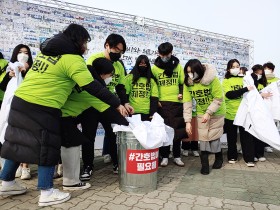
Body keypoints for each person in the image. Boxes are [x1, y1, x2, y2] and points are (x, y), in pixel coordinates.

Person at [0, 23, 126, 207]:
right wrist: (117, 103)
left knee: (18, 141)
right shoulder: (73, 60)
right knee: (48, 146)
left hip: (21, 101)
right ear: (78, 41)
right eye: (85, 42)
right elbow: (92, 87)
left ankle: (7, 182)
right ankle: (46, 192)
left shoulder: (46, 54)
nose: (86, 48)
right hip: (43, 105)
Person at [60, 57, 128, 190]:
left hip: (63, 116)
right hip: (68, 116)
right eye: (109, 74)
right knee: (84, 139)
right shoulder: (90, 89)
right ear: (102, 74)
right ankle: (81, 171)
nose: (110, 78)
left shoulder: (89, 81)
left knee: (108, 135)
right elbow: (108, 108)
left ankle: (115, 163)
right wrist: (128, 123)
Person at [79, 34, 133, 180]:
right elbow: (94, 85)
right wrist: (116, 103)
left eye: (121, 51)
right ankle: (88, 166)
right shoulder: (93, 60)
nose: (118, 53)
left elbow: (121, 86)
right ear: (107, 45)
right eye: (116, 49)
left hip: (110, 105)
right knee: (88, 136)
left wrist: (125, 102)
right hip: (92, 104)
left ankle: (117, 163)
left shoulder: (119, 65)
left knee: (114, 133)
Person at [183, 59, 225, 175]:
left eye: (192, 72)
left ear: (199, 70)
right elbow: (187, 103)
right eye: (188, 72)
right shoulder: (188, 82)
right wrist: (187, 122)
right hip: (201, 112)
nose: (190, 74)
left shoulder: (212, 79)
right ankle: (205, 164)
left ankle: (219, 158)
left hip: (217, 111)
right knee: (203, 137)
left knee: (214, 137)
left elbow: (218, 98)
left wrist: (209, 112)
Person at [0, 45, 33, 180]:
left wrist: (25, 71)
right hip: (11, 106)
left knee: (26, 135)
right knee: (14, 137)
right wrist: (10, 75)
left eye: (26, 53)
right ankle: (15, 167)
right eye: (20, 52)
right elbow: (2, 85)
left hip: (26, 106)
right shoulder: (10, 67)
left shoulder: (33, 69)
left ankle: (26, 167)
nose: (23, 55)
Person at [151, 42, 187, 167]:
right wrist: (156, 101)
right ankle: (165, 156)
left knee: (177, 131)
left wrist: (182, 93)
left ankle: (177, 156)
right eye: (162, 54)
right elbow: (153, 85)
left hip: (177, 103)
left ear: (171, 53)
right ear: (158, 54)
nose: (164, 56)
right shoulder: (154, 68)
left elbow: (183, 82)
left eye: (167, 54)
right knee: (164, 131)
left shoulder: (178, 66)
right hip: (162, 104)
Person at [222, 59, 255, 167]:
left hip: (244, 113)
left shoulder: (244, 79)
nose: (236, 68)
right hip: (230, 113)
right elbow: (229, 95)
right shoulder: (226, 81)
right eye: (233, 67)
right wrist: (244, 89)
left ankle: (249, 158)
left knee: (246, 137)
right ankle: (232, 156)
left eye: (237, 66)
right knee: (231, 138)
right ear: (228, 69)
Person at [124, 55, 158, 121]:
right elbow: (125, 96)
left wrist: (152, 114)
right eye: (141, 63)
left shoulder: (152, 81)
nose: (143, 65)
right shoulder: (129, 78)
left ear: (148, 65)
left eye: (145, 64)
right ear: (137, 64)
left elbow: (154, 99)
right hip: (132, 112)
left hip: (147, 114)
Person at [251, 64, 271, 162]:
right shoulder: (251, 82)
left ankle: (260, 154)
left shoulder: (264, 83)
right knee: (253, 134)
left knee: (261, 133)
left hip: (262, 111)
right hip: (253, 111)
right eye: (256, 72)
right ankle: (253, 154)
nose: (258, 74)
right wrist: (260, 94)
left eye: (260, 72)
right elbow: (251, 94)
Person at [263, 62, 279, 153]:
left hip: (273, 107)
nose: (266, 70)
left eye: (268, 69)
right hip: (263, 106)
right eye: (265, 69)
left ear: (272, 70)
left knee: (272, 127)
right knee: (263, 126)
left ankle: (269, 145)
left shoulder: (277, 80)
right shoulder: (261, 79)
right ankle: (262, 144)